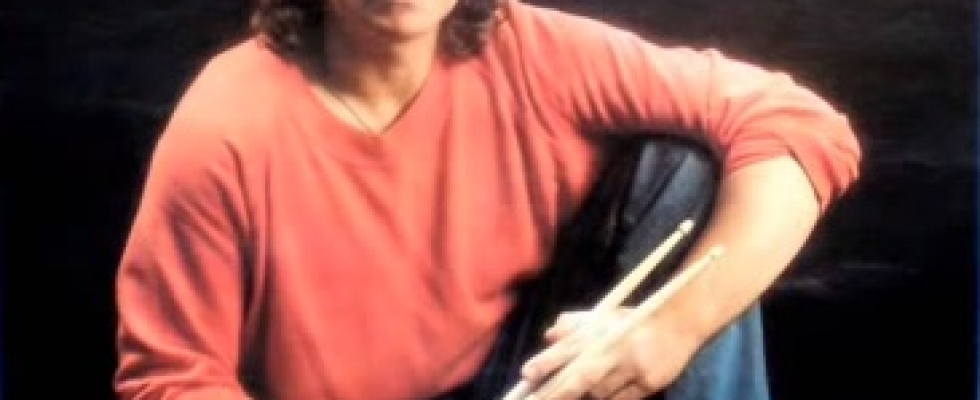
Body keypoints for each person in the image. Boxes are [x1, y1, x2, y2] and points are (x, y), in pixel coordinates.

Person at [113, 0, 861, 399]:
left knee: (689, 172)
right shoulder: (227, 122)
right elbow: (170, 377)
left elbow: (799, 126)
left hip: (520, 379)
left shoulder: (530, 51)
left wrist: (672, 328)